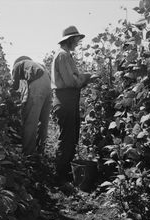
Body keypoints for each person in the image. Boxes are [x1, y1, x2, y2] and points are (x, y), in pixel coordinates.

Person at [51, 25, 99, 184]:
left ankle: (64, 172)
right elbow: (71, 81)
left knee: (71, 136)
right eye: (76, 40)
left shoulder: (65, 55)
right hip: (65, 100)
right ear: (69, 39)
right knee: (67, 138)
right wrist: (87, 77)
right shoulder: (63, 55)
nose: (78, 43)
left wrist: (84, 77)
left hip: (68, 100)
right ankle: (60, 175)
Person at [12, 56, 51, 156]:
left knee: (31, 120)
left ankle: (28, 153)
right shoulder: (36, 65)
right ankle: (41, 149)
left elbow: (14, 87)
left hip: (38, 85)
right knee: (44, 120)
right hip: (48, 83)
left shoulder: (17, 65)